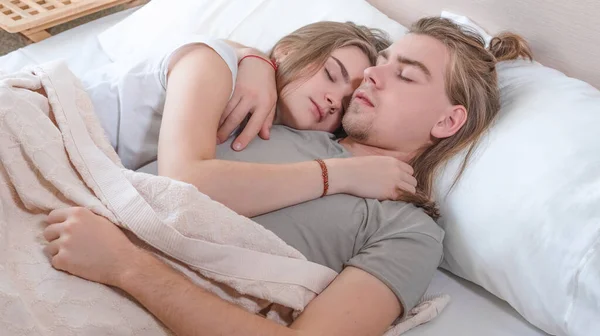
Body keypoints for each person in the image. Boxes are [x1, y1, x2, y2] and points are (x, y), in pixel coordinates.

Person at [43, 17, 532, 336]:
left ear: (448, 121)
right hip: (65, 206)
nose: (370, 78)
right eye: (379, 65)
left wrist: (127, 267)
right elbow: (219, 58)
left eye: (404, 76)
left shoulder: (408, 229)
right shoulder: (286, 113)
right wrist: (255, 62)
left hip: (102, 274)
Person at [82, 21, 417, 218]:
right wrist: (343, 174)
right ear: (286, 51)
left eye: (345, 107)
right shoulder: (216, 64)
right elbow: (182, 183)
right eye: (331, 74)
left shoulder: (275, 140)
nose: (333, 101)